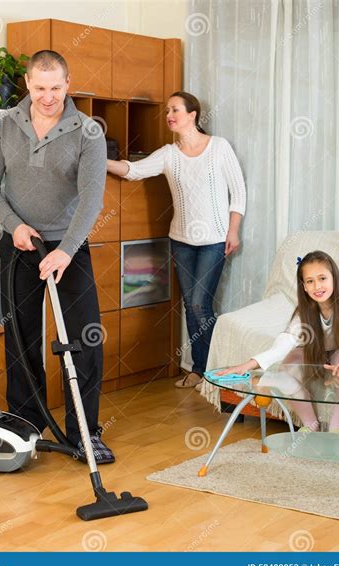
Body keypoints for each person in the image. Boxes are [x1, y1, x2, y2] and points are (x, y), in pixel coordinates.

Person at [0, 50, 115, 463]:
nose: (48, 96)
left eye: (56, 87)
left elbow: (92, 199)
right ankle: (26, 426)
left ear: (68, 84)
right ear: (27, 83)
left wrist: (66, 251)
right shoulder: (3, 127)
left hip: (68, 247)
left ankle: (84, 434)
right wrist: (14, 226)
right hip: (20, 243)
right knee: (22, 338)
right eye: (40, 88)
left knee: (84, 338)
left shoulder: (88, 132)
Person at [107, 91, 246, 390]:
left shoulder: (219, 148)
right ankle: (199, 369)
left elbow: (239, 192)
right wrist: (100, 161)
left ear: (193, 114)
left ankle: (212, 372)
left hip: (214, 240)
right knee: (189, 304)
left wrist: (233, 230)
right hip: (181, 240)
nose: (169, 115)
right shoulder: (168, 154)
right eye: (167, 110)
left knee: (199, 304)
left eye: (175, 110)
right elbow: (133, 171)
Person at [219, 251, 339, 432]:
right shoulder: (304, 310)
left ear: (334, 278)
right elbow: (284, 343)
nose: (317, 286)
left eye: (322, 278)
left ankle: (336, 428)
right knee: (289, 362)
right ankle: (310, 425)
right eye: (310, 281)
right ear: (304, 286)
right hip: (317, 353)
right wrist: (248, 365)